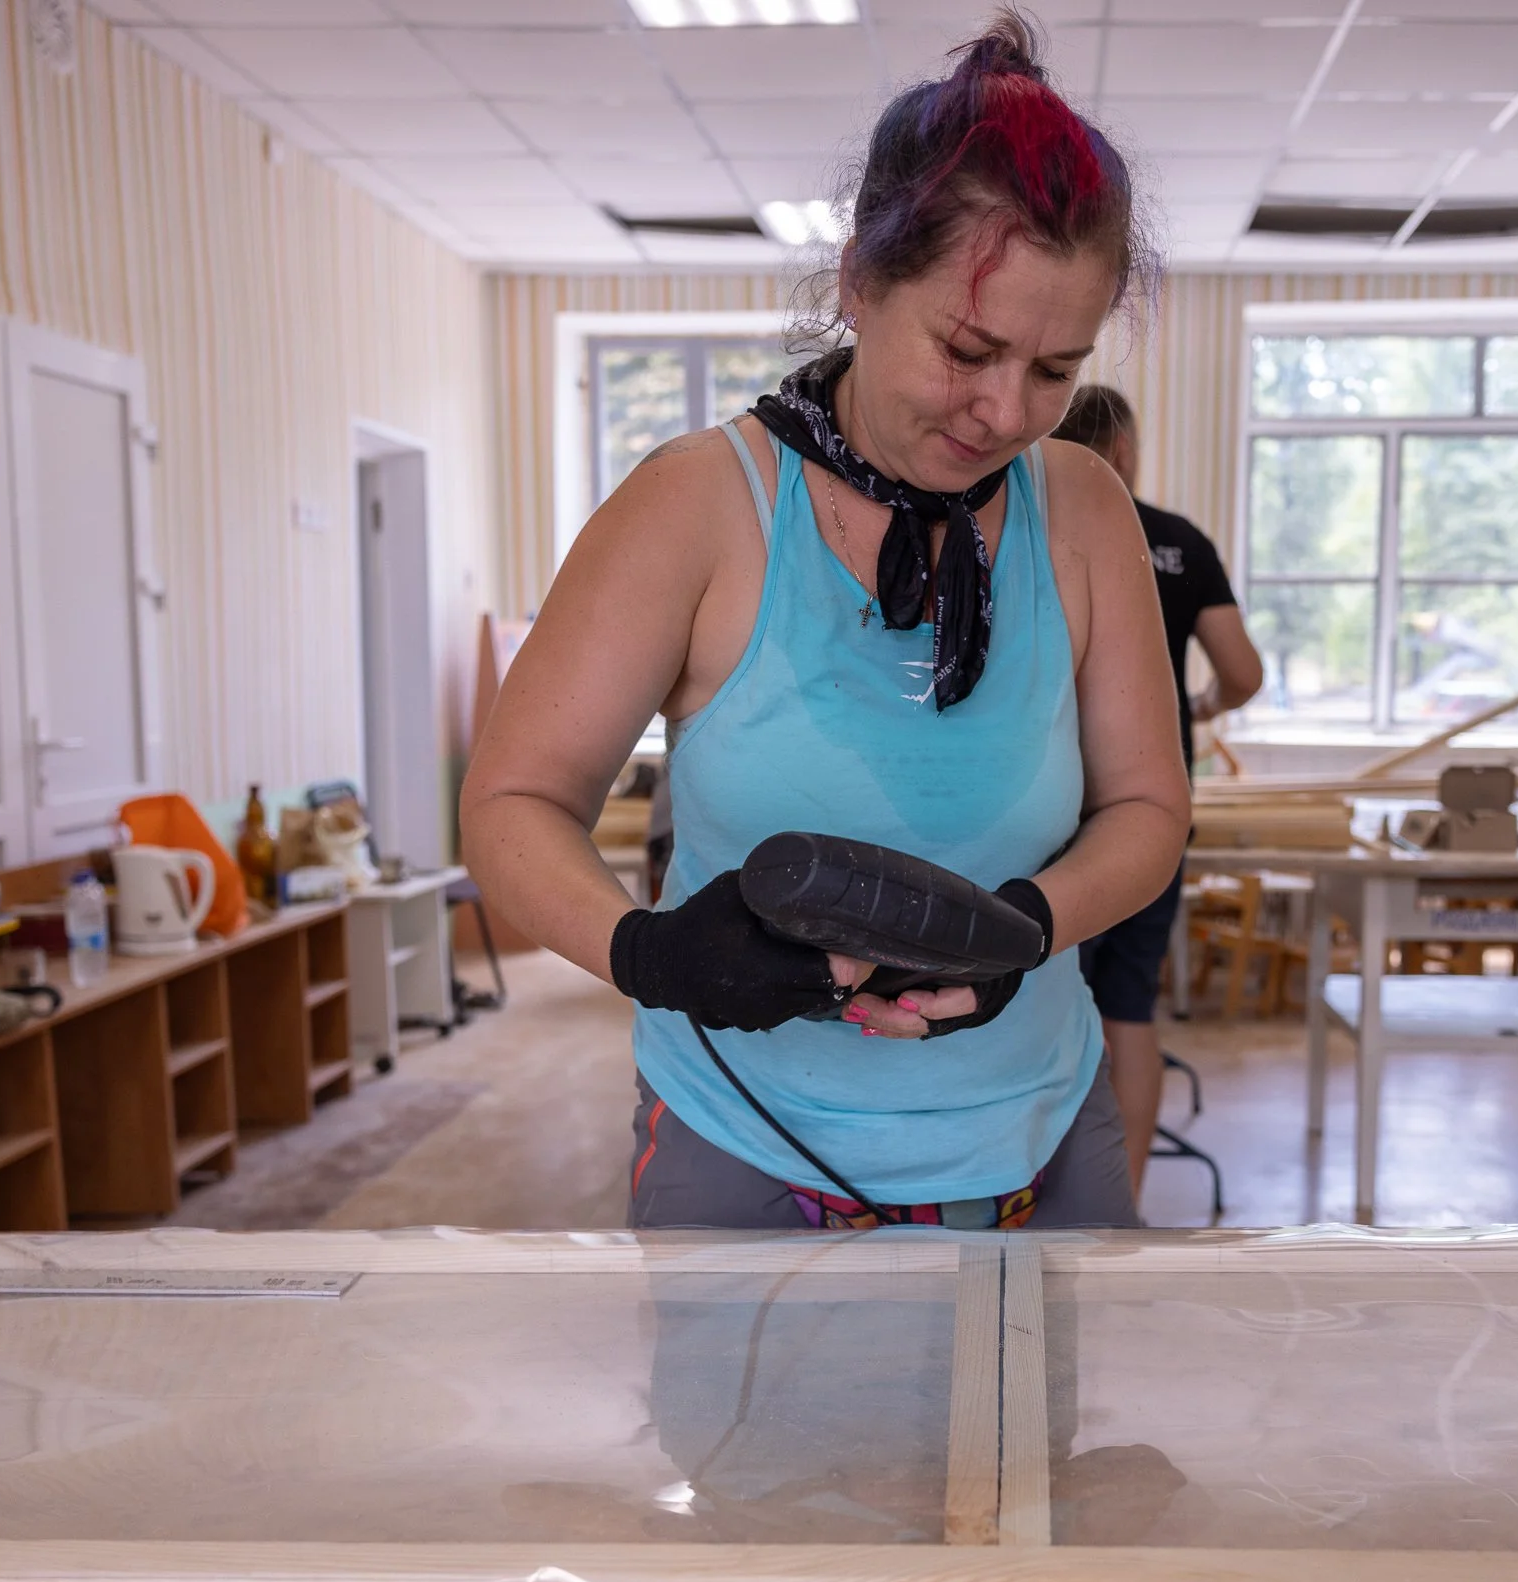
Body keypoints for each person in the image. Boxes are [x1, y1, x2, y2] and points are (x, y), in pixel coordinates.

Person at [460, 13, 1187, 1231]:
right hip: (748, 1130)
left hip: (1038, 1125)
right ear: (859, 281)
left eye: (1056, 370)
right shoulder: (698, 505)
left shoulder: (1081, 509)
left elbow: (1149, 809)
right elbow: (512, 802)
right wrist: (650, 953)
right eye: (968, 348)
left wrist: (1028, 927)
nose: (1006, 412)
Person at [1051, 386, 1261, 1196]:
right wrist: (1198, 707)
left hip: (1050, 812)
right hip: (1148, 810)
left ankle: (1040, 1197)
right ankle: (1121, 1202)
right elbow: (1243, 673)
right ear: (1126, 451)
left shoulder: (1026, 528)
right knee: (1129, 1008)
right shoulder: (1178, 541)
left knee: (1036, 1008)